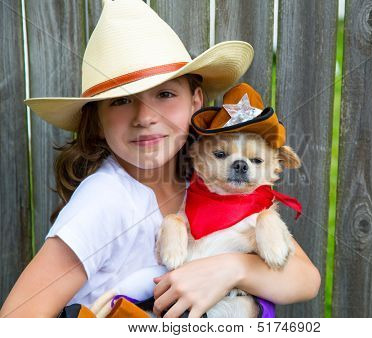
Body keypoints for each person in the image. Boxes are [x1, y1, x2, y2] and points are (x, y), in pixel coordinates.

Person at [0, 0, 320, 318]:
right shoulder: (106, 198)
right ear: (96, 119)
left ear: (195, 101)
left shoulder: (202, 181)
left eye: (164, 94)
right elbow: (16, 319)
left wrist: (231, 269)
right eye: (121, 100)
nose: (145, 116)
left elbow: (306, 279)